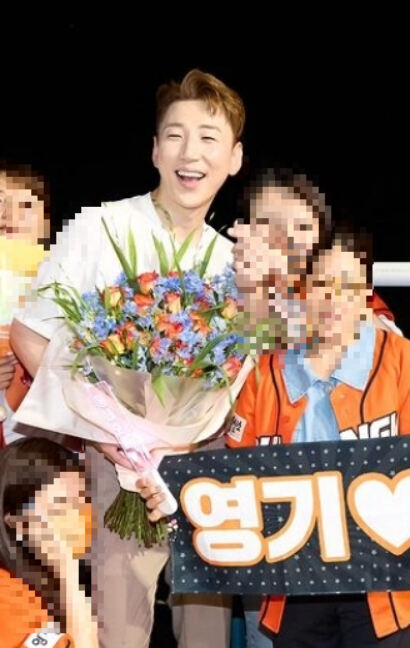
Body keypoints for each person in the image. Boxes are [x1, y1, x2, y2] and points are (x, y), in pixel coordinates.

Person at [10, 68, 245, 648]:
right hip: (116, 466)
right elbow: (30, 335)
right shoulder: (101, 227)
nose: (191, 153)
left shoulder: (234, 262)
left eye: (209, 138)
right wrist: (114, 433)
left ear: (234, 158)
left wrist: (182, 437)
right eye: (176, 136)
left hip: (201, 468)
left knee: (207, 631)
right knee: (120, 629)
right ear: (155, 149)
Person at [0, 436, 97, 647]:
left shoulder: (47, 585)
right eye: (60, 507)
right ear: (17, 522)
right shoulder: (6, 598)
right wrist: (68, 572)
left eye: (83, 501)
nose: (81, 516)